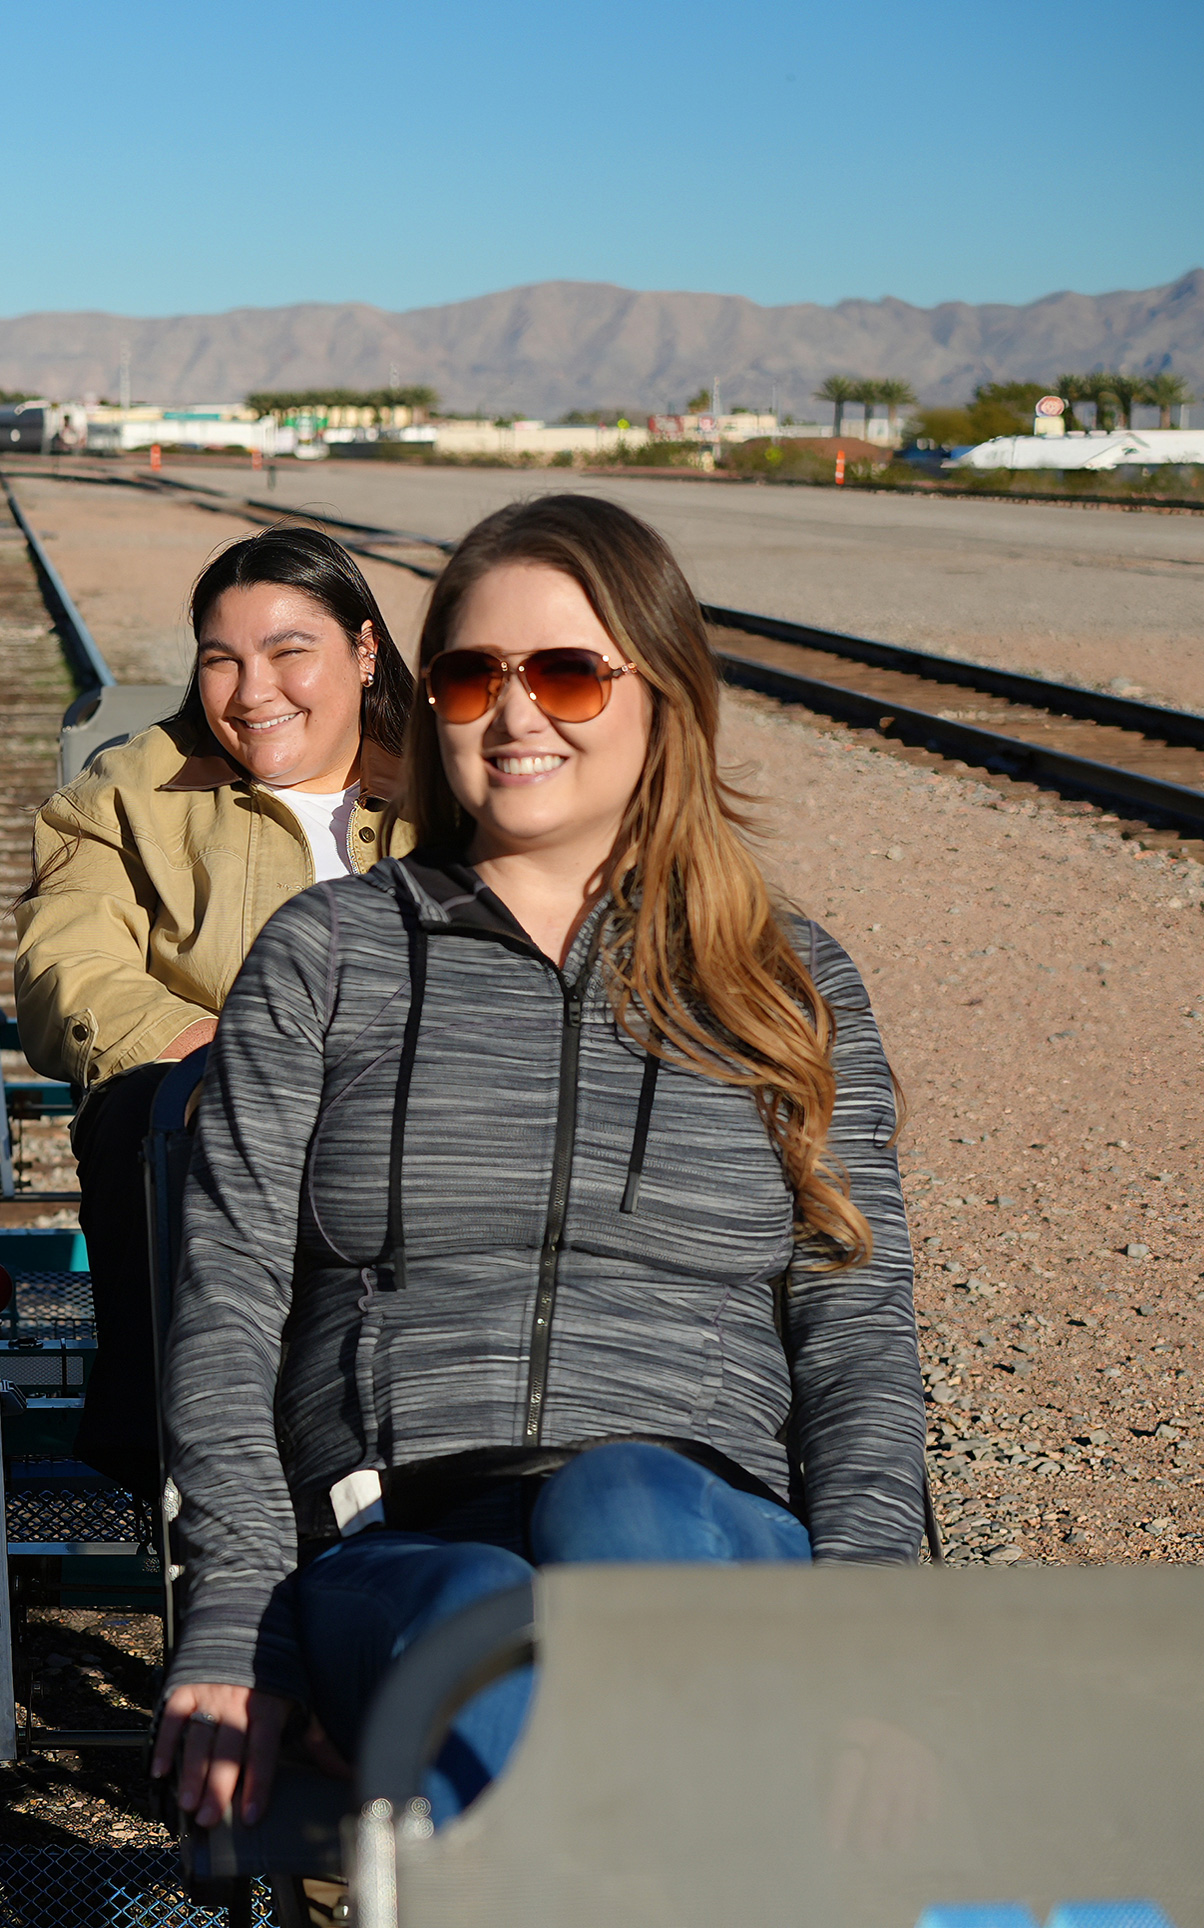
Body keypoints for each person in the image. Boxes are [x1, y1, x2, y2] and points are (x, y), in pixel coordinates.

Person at [152, 495, 926, 1833]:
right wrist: (236, 1616)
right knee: (478, 1616)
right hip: (399, 1540)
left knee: (622, 1503)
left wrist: (879, 1646)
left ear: (663, 693)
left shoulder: (782, 981)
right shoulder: (326, 957)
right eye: (470, 676)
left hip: (702, 1529)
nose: (514, 715)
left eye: (567, 672)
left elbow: (856, 1331)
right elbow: (227, 1304)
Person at [12, 526, 417, 1496]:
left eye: (288, 651)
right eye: (221, 660)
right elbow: (69, 960)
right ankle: (190, 1459)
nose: (250, 691)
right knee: (158, 1118)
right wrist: (217, 1055)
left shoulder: (448, 786)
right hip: (200, 1104)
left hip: (417, 1107)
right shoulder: (131, 790)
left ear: (364, 650)